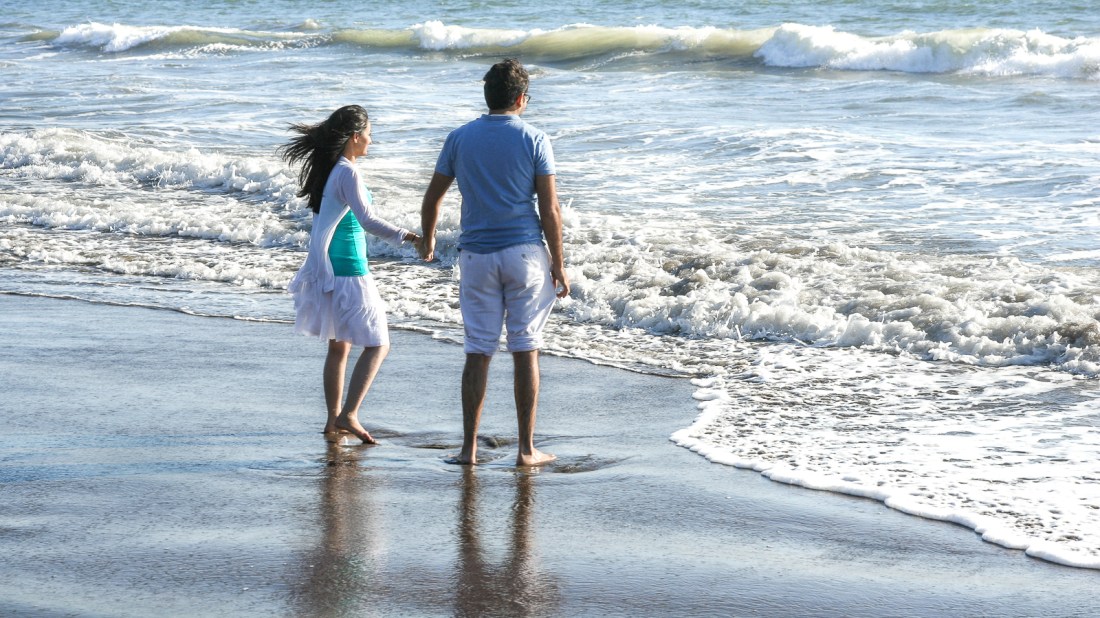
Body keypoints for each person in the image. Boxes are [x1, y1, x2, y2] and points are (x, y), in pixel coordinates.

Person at [417, 58, 569, 466]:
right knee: (526, 349)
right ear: (521, 99)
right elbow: (550, 209)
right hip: (524, 254)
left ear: (488, 97)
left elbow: (432, 198)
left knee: (478, 351)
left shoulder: (459, 138)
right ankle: (526, 450)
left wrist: (429, 240)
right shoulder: (535, 138)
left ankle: (467, 449)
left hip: (476, 256)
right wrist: (559, 262)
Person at [280, 105, 419, 444]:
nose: (372, 139)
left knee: (339, 347)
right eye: (369, 132)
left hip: (332, 268)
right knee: (378, 345)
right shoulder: (348, 172)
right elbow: (369, 220)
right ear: (355, 137)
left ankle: (333, 421)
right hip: (350, 271)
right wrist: (410, 237)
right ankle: (349, 414)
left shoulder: (332, 170)